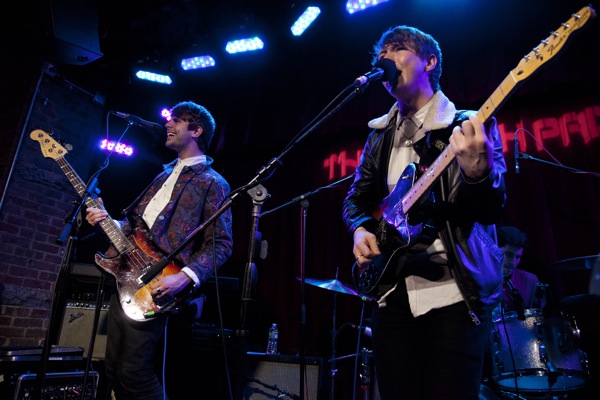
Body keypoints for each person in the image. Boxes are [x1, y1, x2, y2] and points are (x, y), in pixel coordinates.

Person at [342, 26, 507, 399]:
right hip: (393, 295)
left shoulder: (467, 125)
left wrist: (478, 175)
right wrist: (360, 229)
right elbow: (356, 199)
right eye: (381, 52)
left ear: (430, 62)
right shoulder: (379, 137)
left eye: (398, 48)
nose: (385, 57)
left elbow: (491, 209)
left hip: (454, 294)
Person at [85, 101, 233, 399]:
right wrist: (105, 219)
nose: (168, 124)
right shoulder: (162, 175)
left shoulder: (212, 182)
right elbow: (135, 227)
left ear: (196, 130)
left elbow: (221, 243)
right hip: (126, 276)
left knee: (134, 371)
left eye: (177, 120)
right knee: (113, 369)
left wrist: (185, 277)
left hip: (158, 285)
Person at [496, 226, 543, 313]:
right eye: (509, 255)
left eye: (517, 257)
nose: (513, 263)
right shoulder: (478, 279)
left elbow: (537, 317)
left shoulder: (530, 281)